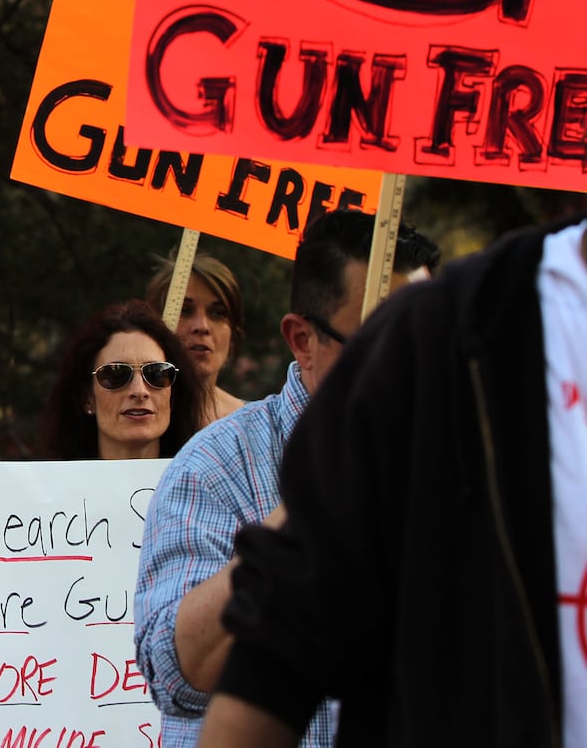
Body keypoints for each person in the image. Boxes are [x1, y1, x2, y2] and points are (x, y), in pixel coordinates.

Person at [199, 215, 586, 747]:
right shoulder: (456, 338)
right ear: (301, 338)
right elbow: (221, 670)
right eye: (366, 340)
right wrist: (330, 505)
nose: (376, 357)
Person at [132, 209, 439, 748]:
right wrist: (320, 501)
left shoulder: (462, 462)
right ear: (303, 340)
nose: (412, 365)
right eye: (384, 340)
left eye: (428, 339)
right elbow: (175, 674)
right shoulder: (215, 465)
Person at [38, 301, 202, 460]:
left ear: (172, 396)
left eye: (156, 374)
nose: (139, 391)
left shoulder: (201, 485)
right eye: (116, 375)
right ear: (87, 398)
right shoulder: (51, 487)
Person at [146, 252, 247, 425]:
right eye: (184, 310)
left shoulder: (253, 427)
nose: (202, 326)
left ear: (233, 334)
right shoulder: (133, 419)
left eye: (217, 313)